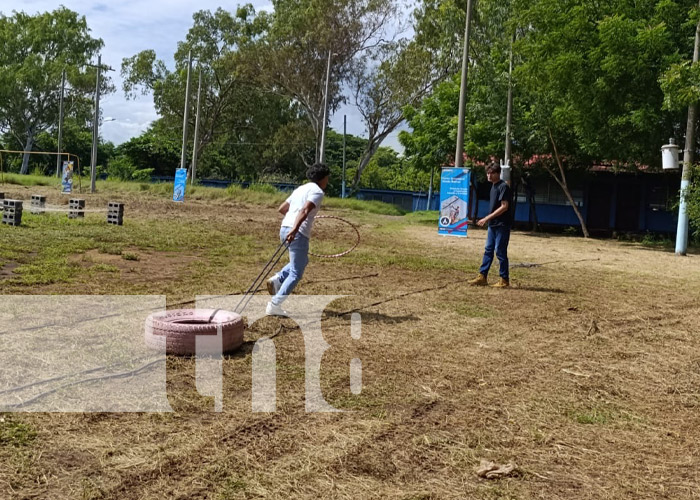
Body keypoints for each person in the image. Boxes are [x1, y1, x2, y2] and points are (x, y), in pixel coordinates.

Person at [265, 163, 330, 316]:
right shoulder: (318, 192)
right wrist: (295, 229)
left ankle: (278, 279)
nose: (328, 181)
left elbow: (282, 208)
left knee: (301, 261)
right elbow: (305, 210)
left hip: (284, 229)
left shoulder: (300, 189)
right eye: (327, 178)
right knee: (296, 272)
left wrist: (290, 224)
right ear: (323, 178)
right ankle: (275, 304)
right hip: (297, 233)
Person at [468, 162, 512, 288]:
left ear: (498, 173)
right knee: (488, 250)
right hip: (493, 225)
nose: (489, 176)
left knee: (500, 251)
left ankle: (504, 279)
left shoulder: (503, 187)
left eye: (491, 173)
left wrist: (486, 218)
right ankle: (482, 276)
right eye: (487, 173)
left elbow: (504, 206)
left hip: (502, 224)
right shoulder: (493, 187)